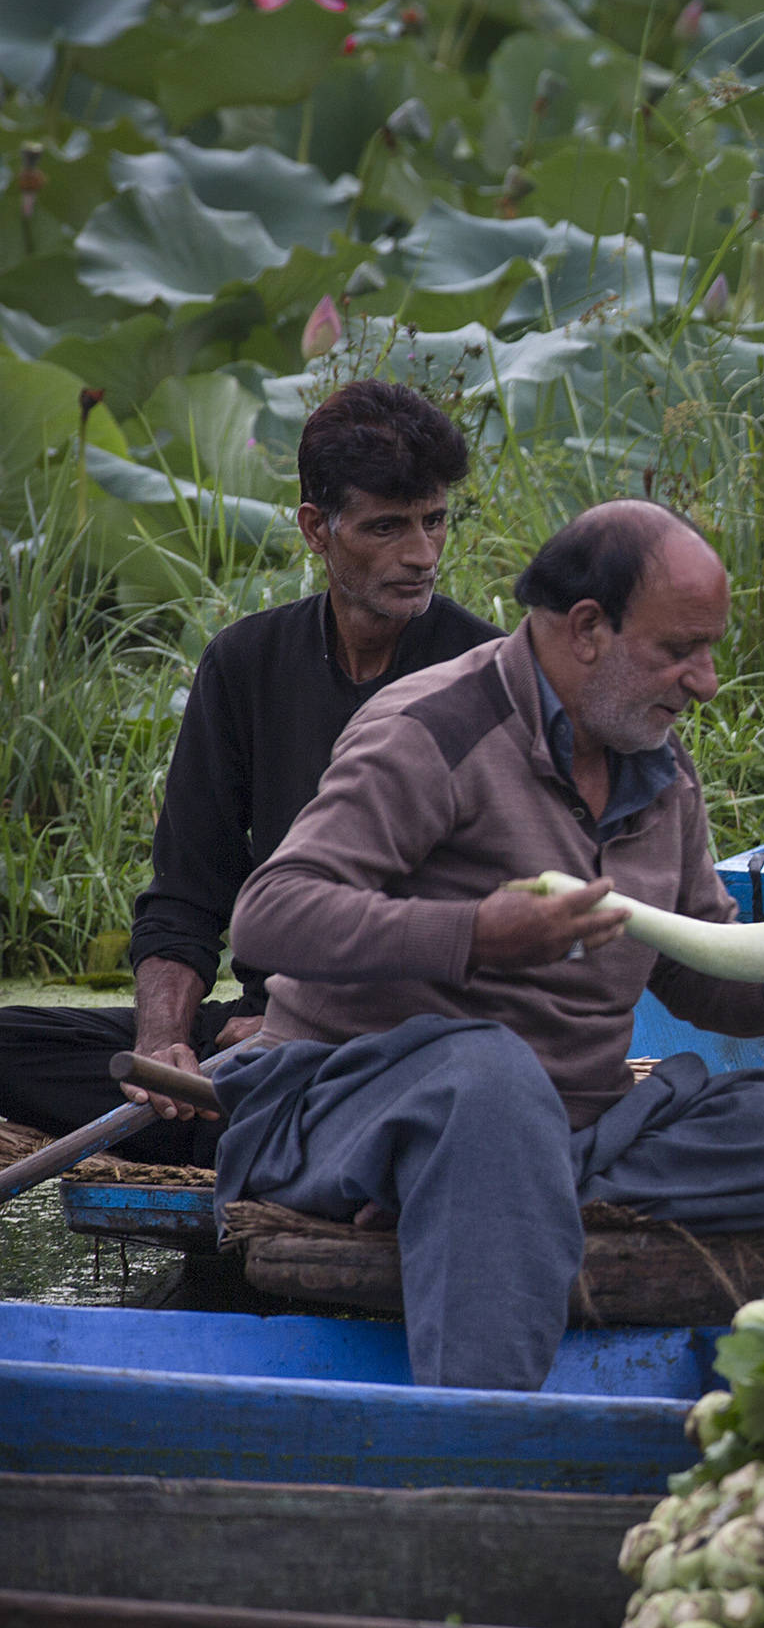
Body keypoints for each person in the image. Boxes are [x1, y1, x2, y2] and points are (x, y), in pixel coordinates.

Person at [216, 500, 764, 1390]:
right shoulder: (433, 730)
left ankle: (482, 1190)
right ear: (587, 627)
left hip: (567, 1126)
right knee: (490, 1079)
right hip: (346, 1102)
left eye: (711, 649)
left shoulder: (661, 774)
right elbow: (271, 914)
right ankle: (486, 1435)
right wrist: (475, 934)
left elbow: (694, 968)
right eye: (679, 650)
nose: (705, 681)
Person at [0, 380, 499, 1163]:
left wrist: (309, 1025)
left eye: (434, 521)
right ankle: (230, 1124)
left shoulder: (485, 678)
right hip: (250, 1033)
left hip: (400, 1038)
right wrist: (163, 1050)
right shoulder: (244, 664)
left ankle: (260, 1129)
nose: (423, 554)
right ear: (315, 529)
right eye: (388, 527)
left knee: (382, 1090)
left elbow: (491, 936)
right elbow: (185, 895)